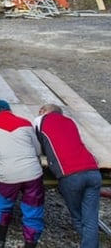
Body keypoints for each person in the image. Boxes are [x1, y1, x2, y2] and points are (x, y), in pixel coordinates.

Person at [34, 104, 102, 248]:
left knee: (78, 218)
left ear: (44, 111)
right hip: (93, 171)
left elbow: (37, 147)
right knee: (90, 219)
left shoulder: (41, 120)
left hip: (70, 174)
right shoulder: (70, 122)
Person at [0, 98, 45, 248]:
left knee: (3, 205)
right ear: (10, 110)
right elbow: (38, 150)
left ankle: (0, 239)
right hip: (33, 173)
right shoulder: (26, 123)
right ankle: (30, 243)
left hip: (9, 174)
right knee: (33, 208)